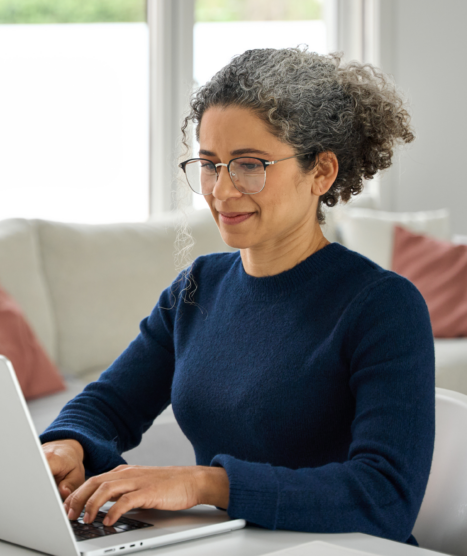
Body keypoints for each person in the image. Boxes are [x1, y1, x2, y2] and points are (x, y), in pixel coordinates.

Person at [39, 47, 434, 545]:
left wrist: (204, 483)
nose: (221, 192)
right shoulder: (197, 286)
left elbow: (386, 498)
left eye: (249, 165)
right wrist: (64, 445)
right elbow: (110, 403)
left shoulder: (383, 307)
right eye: (209, 164)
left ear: (321, 173)